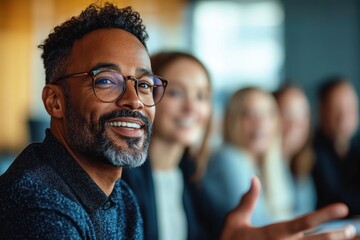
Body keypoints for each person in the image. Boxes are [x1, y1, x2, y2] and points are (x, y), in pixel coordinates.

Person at [0, 2, 356, 240]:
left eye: (144, 84)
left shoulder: (119, 196)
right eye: (106, 81)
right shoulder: (39, 205)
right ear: (55, 101)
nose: (134, 100)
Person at [122, 51, 212, 240]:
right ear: (146, 96)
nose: (191, 108)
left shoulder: (191, 176)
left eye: (201, 96)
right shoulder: (121, 180)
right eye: (175, 93)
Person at [202, 87, 295, 233]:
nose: (260, 123)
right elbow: (258, 225)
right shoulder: (227, 158)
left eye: (267, 115)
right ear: (233, 120)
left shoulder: (268, 163)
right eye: (249, 115)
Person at [312, 76, 360, 217]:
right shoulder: (310, 151)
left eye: (350, 107)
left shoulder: (356, 147)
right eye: (336, 108)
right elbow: (333, 199)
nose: (344, 116)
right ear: (321, 111)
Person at [274, 84, 316, 215]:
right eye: (287, 114)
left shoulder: (301, 167)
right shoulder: (254, 172)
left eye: (303, 115)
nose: (296, 124)